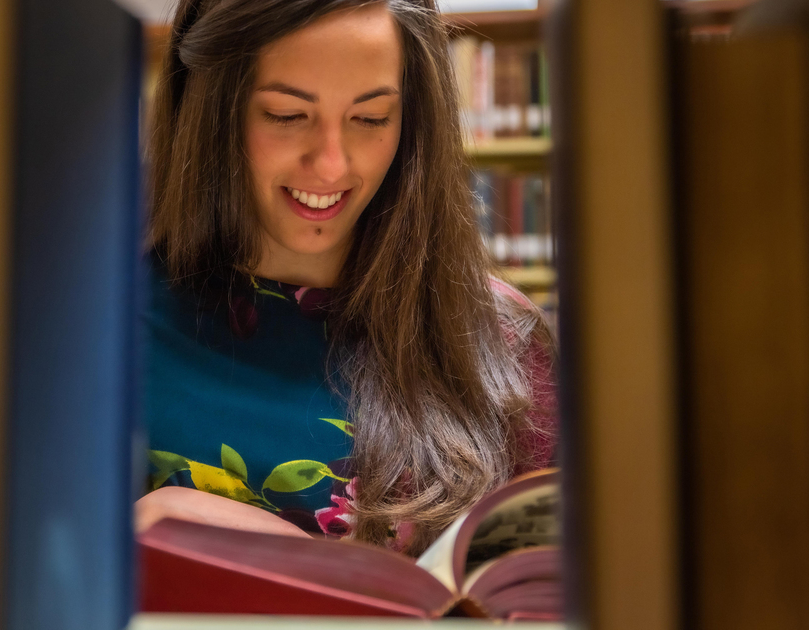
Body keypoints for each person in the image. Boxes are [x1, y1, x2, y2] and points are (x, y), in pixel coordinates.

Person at [136, 0, 556, 556]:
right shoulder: (99, 323)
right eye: (286, 115)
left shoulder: (505, 343)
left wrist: (287, 555)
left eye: (371, 118)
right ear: (208, 108)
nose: (332, 165)